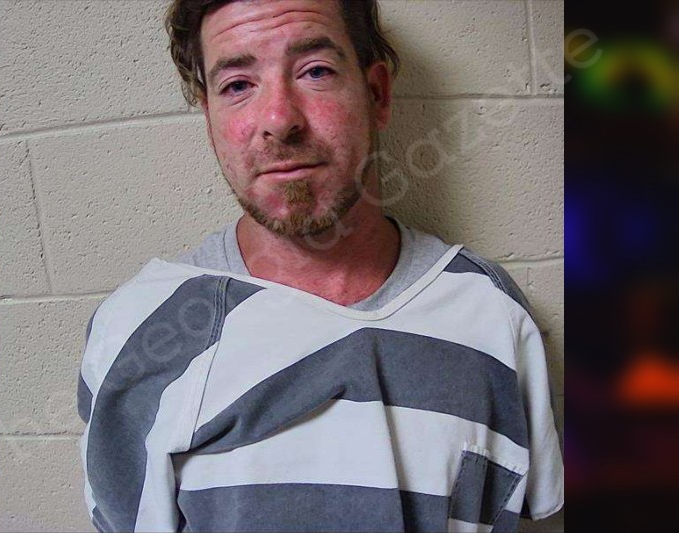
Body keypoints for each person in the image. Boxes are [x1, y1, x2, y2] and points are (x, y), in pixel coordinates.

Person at [76, 1, 564, 531]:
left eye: (315, 72)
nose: (279, 120)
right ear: (210, 117)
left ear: (377, 95)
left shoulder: (491, 311)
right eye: (237, 85)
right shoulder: (138, 330)